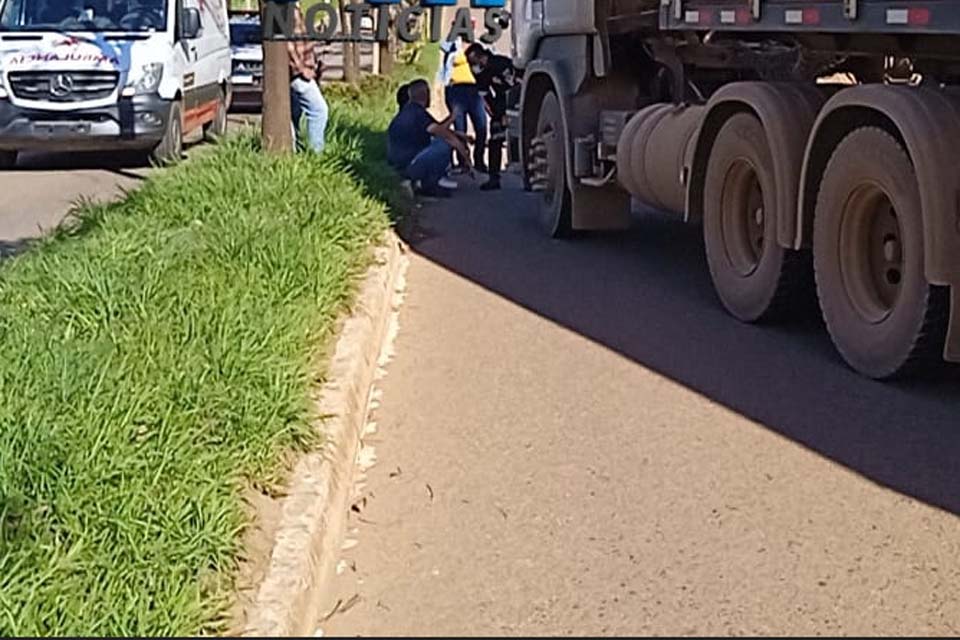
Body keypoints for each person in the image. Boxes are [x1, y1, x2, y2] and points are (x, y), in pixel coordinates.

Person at [387, 79, 472, 198]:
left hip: (397, 163)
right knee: (443, 144)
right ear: (425, 95)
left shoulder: (408, 112)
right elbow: (445, 135)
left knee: (439, 141)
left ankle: (420, 182)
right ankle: (429, 184)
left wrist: (461, 135)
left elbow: (437, 127)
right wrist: (468, 161)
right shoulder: (418, 114)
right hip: (408, 165)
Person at [467, 42, 517, 191]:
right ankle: (494, 178)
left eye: (473, 62)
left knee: (519, 138)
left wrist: (507, 111)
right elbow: (485, 95)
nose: (472, 66)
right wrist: (497, 114)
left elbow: (516, 84)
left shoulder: (500, 64)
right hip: (500, 105)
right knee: (495, 140)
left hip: (516, 101)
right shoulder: (481, 74)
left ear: (480, 57)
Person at [439, 32, 488, 173]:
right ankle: (463, 162)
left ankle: (479, 160)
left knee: (482, 126)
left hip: (474, 90)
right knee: (460, 128)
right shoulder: (453, 45)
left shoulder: (479, 45)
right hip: (456, 89)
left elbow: (488, 58)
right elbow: (443, 45)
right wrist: (454, 36)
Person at [287, 1, 328, 153]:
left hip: (298, 71)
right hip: (297, 74)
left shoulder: (294, 8)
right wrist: (301, 69)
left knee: (294, 114)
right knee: (319, 110)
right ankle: (316, 154)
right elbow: (288, 44)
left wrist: (315, 64)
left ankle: (293, 150)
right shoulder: (288, 9)